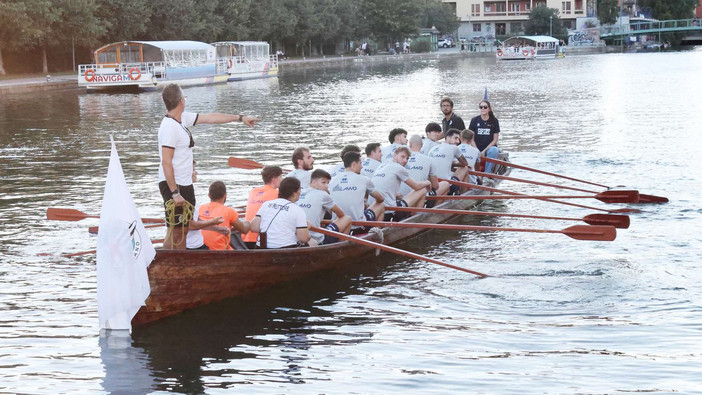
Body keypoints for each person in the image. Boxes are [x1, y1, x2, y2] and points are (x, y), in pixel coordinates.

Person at [157, 83, 258, 249]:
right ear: (182, 101)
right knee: (176, 231)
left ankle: (178, 265)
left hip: (184, 184)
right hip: (175, 185)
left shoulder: (181, 119)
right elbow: (166, 161)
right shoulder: (169, 127)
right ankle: (173, 267)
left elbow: (210, 118)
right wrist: (175, 193)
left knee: (180, 228)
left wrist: (240, 118)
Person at [330, 151, 385, 234]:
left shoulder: (332, 180)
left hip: (338, 227)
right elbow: (380, 199)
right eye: (360, 163)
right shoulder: (364, 179)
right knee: (381, 205)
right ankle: (376, 234)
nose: (362, 166)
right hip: (358, 226)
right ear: (354, 164)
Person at [369, 146, 431, 221]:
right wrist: (427, 182)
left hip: (374, 211)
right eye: (402, 157)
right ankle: (416, 220)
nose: (405, 160)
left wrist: (394, 195)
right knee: (422, 190)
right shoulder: (399, 168)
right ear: (395, 155)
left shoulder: (381, 166)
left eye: (407, 158)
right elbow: (416, 186)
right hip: (389, 211)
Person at [250, 177, 311, 249]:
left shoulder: (266, 204)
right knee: (312, 243)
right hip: (285, 251)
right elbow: (303, 238)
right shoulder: (298, 210)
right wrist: (306, 228)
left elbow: (254, 227)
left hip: (261, 249)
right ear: (294, 194)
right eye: (300, 189)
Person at [297, 169, 352, 246]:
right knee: (347, 219)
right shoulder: (323, 194)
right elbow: (341, 215)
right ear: (314, 182)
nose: (326, 186)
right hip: (316, 239)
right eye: (323, 182)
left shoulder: (299, 193)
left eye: (328, 183)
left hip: (297, 237)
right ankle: (340, 248)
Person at [198, 181, 251, 250]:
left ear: (209, 195)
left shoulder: (200, 208)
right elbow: (244, 230)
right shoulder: (229, 211)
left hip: (201, 249)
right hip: (220, 252)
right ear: (225, 196)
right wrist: (248, 222)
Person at [242, 165, 284, 249]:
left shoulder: (253, 192)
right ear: (273, 179)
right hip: (261, 240)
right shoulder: (277, 194)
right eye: (280, 177)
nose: (282, 179)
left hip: (245, 238)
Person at [400, 135, 448, 203]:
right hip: (419, 196)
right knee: (445, 184)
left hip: (403, 198)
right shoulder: (429, 160)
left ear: (410, 144)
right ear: (422, 145)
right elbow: (435, 186)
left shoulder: (401, 160)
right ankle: (434, 208)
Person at [427, 128, 469, 195]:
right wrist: (455, 164)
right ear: (448, 138)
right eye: (455, 138)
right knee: (465, 168)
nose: (458, 141)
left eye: (458, 139)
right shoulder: (454, 148)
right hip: (446, 185)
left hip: (432, 184)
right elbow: (465, 163)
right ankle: (463, 195)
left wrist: (452, 164)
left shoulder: (433, 148)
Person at [468, 99, 500, 174]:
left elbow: (495, 139)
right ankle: (473, 174)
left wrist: (484, 151)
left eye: (485, 107)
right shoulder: (474, 120)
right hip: (476, 146)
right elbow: (471, 138)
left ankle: (486, 173)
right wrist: (477, 150)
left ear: (489, 109)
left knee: (494, 150)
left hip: (489, 148)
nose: (483, 109)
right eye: (481, 107)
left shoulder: (494, 121)